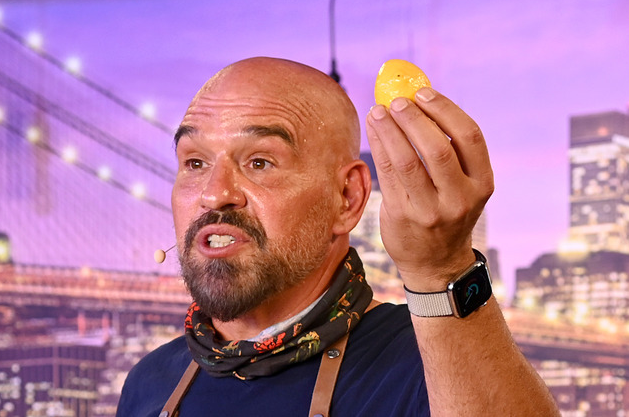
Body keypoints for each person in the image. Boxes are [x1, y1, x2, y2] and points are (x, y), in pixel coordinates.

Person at [117, 57, 559, 416]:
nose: (214, 194)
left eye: (259, 163)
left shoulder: (433, 358)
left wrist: (440, 269)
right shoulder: (148, 383)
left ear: (347, 198)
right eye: (194, 163)